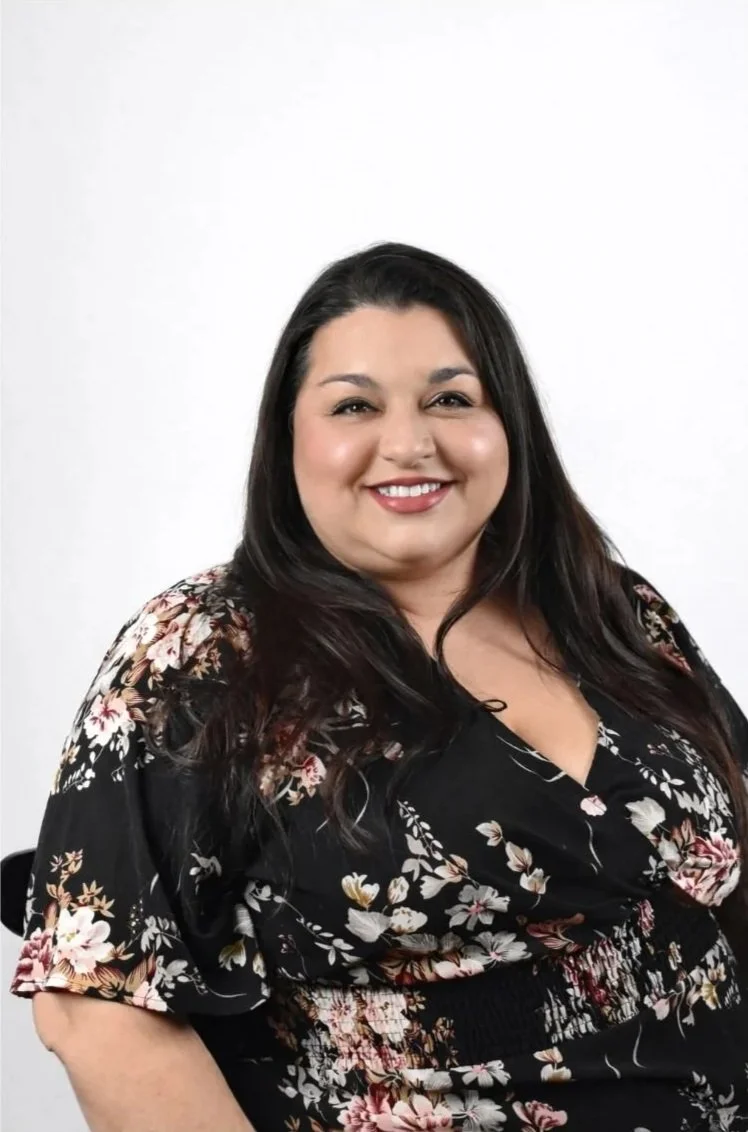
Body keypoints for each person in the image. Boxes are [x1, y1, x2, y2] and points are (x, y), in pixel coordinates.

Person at [5, 242, 748, 1132]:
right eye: (355, 405)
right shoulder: (201, 653)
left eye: (451, 399)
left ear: (507, 425)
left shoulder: (613, 610)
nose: (409, 442)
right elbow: (96, 1009)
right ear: (290, 437)